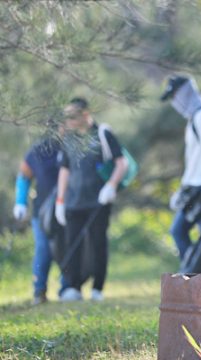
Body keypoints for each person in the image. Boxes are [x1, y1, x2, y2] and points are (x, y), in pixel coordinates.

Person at [55, 97, 128, 302]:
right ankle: (74, 288)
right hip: (73, 202)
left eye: (72, 116)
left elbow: (122, 163)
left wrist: (111, 185)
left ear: (85, 114)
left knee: (98, 244)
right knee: (72, 244)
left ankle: (98, 288)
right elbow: (64, 170)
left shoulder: (102, 133)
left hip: (98, 201)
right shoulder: (68, 139)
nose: (68, 120)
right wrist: (60, 200)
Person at [160, 75, 201, 261]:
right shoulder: (194, 119)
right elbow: (194, 161)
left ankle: (197, 278)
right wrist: (182, 190)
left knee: (183, 232)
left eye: (175, 96)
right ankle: (197, 277)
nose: (175, 101)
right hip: (195, 186)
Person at [13, 132, 69, 305]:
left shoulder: (76, 147)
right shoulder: (38, 150)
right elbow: (24, 176)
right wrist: (20, 202)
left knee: (67, 249)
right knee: (43, 249)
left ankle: (67, 290)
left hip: (69, 210)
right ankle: (39, 290)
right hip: (42, 211)